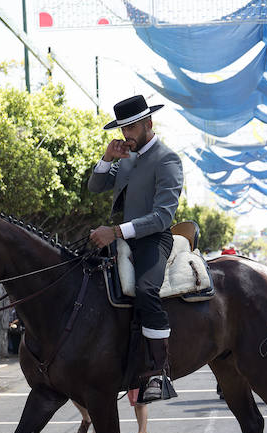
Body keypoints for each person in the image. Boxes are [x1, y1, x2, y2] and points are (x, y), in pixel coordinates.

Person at [87, 94, 183, 403]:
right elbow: (95, 187)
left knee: (145, 291)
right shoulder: (127, 159)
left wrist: (115, 231)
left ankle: (158, 372)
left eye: (131, 128)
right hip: (119, 239)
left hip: (153, 239)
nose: (126, 135)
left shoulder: (167, 159)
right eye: (122, 129)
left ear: (148, 124)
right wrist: (107, 158)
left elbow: (162, 216)